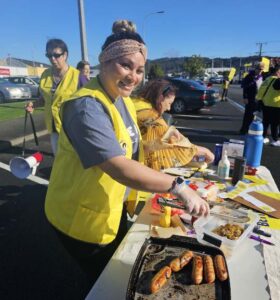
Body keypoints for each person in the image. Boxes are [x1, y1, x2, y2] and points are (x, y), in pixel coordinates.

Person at [44, 20, 209, 287]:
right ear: (104, 61)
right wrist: (177, 186)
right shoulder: (86, 106)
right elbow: (119, 166)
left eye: (140, 69)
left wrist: (188, 152)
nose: (134, 76)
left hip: (109, 207)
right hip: (79, 217)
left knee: (119, 272)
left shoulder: (123, 101)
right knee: (109, 283)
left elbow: (141, 146)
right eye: (125, 65)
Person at [133, 79, 214, 170]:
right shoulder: (152, 118)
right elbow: (176, 144)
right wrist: (206, 152)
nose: (169, 108)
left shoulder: (134, 103)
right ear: (160, 98)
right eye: (169, 103)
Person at [39, 39, 86, 154]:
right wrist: (33, 105)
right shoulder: (45, 75)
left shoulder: (78, 76)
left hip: (73, 129)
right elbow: (45, 99)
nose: (52, 59)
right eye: (49, 55)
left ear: (65, 55)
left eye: (56, 55)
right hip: (54, 128)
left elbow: (92, 102)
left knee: (74, 161)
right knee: (59, 159)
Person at [256, 64, 280, 146]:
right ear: (277, 72)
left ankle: (263, 137)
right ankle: (275, 139)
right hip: (275, 105)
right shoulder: (277, 80)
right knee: (275, 124)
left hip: (265, 103)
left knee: (265, 122)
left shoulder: (267, 79)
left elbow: (261, 90)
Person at [239, 62, 265, 135]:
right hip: (250, 98)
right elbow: (245, 87)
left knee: (255, 115)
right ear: (256, 68)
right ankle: (244, 130)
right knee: (248, 115)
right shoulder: (249, 76)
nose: (260, 71)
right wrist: (245, 97)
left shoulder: (262, 76)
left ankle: (252, 129)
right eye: (259, 69)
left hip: (259, 98)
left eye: (262, 69)